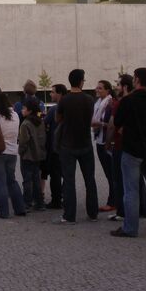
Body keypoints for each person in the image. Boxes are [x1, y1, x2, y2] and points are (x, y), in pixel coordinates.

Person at [112, 69, 146, 238]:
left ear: (136, 80)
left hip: (131, 148)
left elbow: (117, 122)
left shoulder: (128, 100)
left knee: (131, 189)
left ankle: (130, 227)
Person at [54, 69, 98, 224]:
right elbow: (90, 117)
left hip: (68, 144)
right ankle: (93, 213)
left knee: (69, 181)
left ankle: (69, 215)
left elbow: (58, 119)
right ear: (81, 82)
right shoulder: (89, 99)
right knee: (90, 180)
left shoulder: (64, 100)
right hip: (85, 143)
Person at [0, 92, 28, 219]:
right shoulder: (15, 115)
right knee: (11, 180)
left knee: (0, 182)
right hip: (12, 151)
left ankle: (3, 211)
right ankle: (20, 208)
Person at [92, 80, 116, 213]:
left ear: (108, 90)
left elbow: (112, 124)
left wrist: (99, 124)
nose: (97, 90)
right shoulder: (98, 103)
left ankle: (113, 201)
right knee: (109, 173)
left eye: (100, 88)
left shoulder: (110, 104)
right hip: (99, 139)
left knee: (111, 173)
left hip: (107, 141)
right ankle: (114, 199)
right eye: (97, 87)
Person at [18, 98, 46, 211]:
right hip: (39, 154)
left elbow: (23, 141)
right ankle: (39, 202)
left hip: (27, 155)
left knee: (27, 180)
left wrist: (20, 151)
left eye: (24, 108)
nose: (22, 110)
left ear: (29, 111)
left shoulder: (25, 124)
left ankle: (27, 202)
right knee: (36, 178)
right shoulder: (40, 122)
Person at [43, 84, 65, 210]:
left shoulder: (54, 109)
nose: (50, 94)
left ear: (59, 93)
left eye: (52, 92)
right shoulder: (69, 106)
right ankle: (66, 197)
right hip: (69, 145)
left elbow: (44, 123)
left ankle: (56, 200)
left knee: (55, 175)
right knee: (67, 174)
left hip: (56, 146)